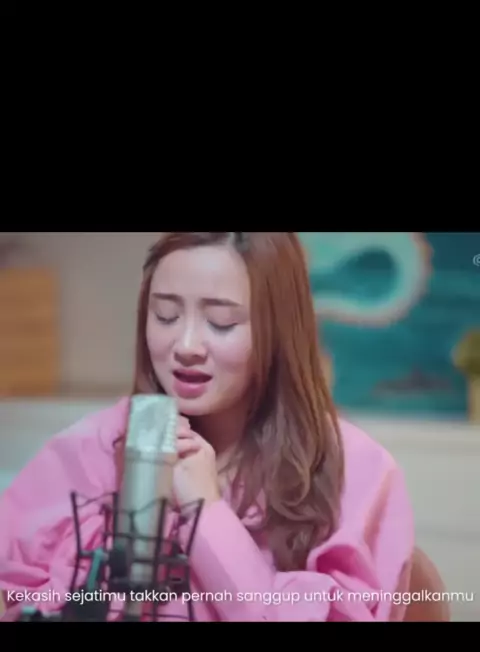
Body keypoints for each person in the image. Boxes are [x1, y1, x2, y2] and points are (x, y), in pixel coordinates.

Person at [0, 232, 414, 622]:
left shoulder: (356, 471)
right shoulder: (88, 451)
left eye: (221, 322)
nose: (186, 347)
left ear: (279, 330)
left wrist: (207, 512)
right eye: (165, 316)